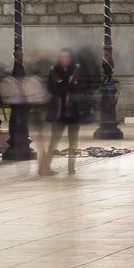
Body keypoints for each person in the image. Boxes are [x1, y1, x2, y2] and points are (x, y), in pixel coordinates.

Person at [39, 48, 83, 176]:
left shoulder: (76, 70)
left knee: (73, 140)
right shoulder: (54, 71)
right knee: (54, 140)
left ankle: (71, 167)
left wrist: (65, 86)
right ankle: (46, 168)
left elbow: (80, 87)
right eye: (62, 57)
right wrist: (65, 86)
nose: (64, 59)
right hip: (59, 111)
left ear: (71, 58)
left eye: (67, 57)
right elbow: (51, 87)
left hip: (73, 110)